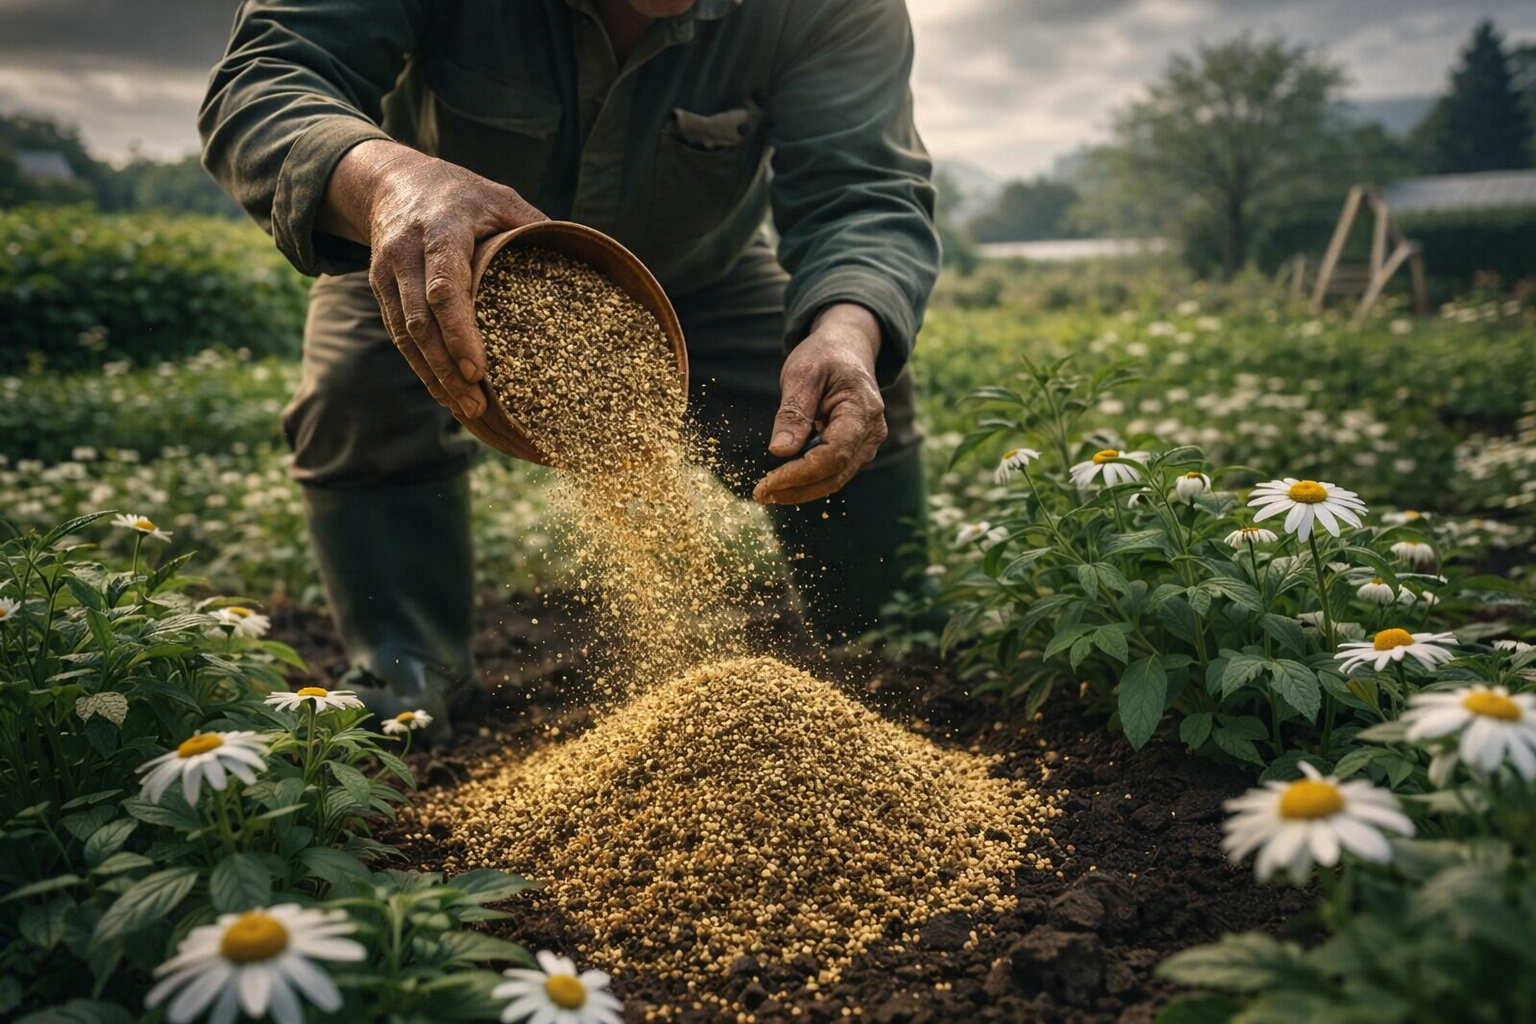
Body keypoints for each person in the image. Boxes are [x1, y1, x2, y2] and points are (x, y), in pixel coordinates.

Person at [200, 0, 940, 732]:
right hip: (425, 246)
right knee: (351, 398)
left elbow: (863, 191)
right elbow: (266, 78)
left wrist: (845, 331)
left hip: (696, 269)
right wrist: (387, 181)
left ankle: (884, 654)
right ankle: (408, 664)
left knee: (844, 395)